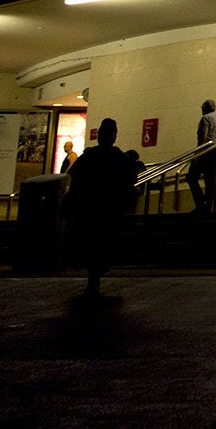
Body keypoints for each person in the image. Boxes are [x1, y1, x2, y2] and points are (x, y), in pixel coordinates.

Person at [67, 118, 134, 298]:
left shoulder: (89, 156)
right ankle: (96, 275)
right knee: (104, 243)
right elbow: (129, 179)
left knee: (91, 243)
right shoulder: (118, 157)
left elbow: (74, 176)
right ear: (113, 135)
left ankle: (92, 277)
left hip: (90, 208)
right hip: (109, 209)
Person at [189, 99, 216, 214]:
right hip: (215, 151)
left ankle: (201, 204)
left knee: (191, 177)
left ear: (204, 108)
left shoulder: (205, 119)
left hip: (205, 152)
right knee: (210, 181)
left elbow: (203, 137)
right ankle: (208, 207)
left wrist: (196, 155)